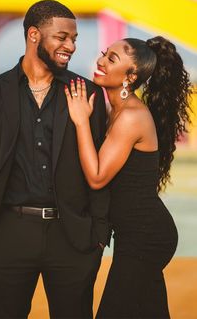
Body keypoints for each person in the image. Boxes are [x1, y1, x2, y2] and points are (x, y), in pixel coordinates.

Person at [0, 0, 111, 319]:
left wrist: (98, 234)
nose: (71, 46)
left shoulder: (86, 91)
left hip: (72, 237)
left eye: (73, 38)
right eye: (62, 37)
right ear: (34, 34)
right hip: (8, 233)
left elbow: (99, 164)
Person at [65, 36, 193, 319]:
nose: (100, 61)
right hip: (134, 235)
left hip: (146, 237)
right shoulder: (117, 110)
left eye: (112, 59)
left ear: (131, 76)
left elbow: (97, 177)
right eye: (103, 54)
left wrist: (80, 121)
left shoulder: (131, 116)